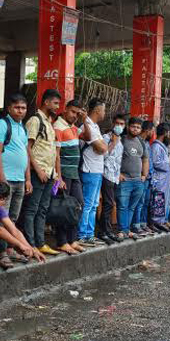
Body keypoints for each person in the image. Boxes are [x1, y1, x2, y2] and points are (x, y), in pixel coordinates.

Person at [0, 93, 31, 266]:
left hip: (20, 180)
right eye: (17, 107)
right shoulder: (1, 125)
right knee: (1, 219)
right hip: (5, 181)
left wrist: (28, 179)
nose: (20, 111)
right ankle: (1, 254)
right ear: (9, 108)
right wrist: (2, 180)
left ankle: (9, 250)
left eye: (23, 108)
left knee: (12, 218)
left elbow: (26, 155)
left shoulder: (22, 128)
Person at [20, 89, 61, 254]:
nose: (57, 107)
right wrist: (38, 170)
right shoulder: (35, 120)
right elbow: (27, 148)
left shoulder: (49, 122)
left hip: (49, 174)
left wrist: (54, 174)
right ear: (46, 102)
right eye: (55, 103)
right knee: (31, 210)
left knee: (42, 209)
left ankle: (40, 243)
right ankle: (31, 244)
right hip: (39, 174)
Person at [53, 100, 86, 254]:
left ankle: (72, 240)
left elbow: (88, 136)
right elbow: (56, 155)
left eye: (77, 113)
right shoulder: (58, 126)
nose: (75, 116)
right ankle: (62, 241)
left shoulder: (74, 127)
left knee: (78, 205)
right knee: (63, 209)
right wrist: (58, 178)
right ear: (65, 110)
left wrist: (84, 119)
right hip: (64, 174)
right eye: (73, 112)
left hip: (74, 174)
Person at [77, 98, 108, 245]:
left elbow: (103, 147)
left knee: (94, 204)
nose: (104, 113)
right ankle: (82, 235)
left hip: (97, 170)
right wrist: (102, 145)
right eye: (103, 109)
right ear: (97, 110)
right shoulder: (87, 125)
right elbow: (102, 148)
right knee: (88, 204)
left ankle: (89, 234)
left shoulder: (94, 126)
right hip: (89, 170)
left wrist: (102, 145)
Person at [117, 117, 148, 240]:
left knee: (132, 207)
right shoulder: (122, 140)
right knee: (123, 206)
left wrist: (144, 175)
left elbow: (145, 159)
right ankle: (122, 230)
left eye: (138, 127)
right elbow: (115, 157)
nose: (135, 129)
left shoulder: (141, 142)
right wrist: (118, 173)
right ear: (128, 127)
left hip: (138, 181)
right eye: (133, 126)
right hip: (125, 180)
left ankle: (126, 230)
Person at [99, 114, 127, 244]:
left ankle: (106, 231)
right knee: (108, 203)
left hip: (114, 177)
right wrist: (113, 143)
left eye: (122, 124)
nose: (119, 126)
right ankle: (104, 232)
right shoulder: (106, 138)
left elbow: (117, 160)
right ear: (113, 124)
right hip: (106, 175)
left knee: (110, 204)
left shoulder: (120, 141)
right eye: (117, 123)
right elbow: (103, 156)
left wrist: (119, 174)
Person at [149, 123, 170, 232]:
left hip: (164, 179)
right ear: (165, 133)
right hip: (159, 178)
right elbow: (155, 162)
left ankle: (160, 221)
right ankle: (155, 221)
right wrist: (169, 163)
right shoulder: (156, 146)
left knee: (163, 200)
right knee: (158, 199)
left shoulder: (162, 146)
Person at [133, 120, 154, 234]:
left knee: (145, 202)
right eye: (152, 130)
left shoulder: (146, 143)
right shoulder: (139, 142)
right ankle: (136, 225)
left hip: (148, 177)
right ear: (147, 130)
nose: (153, 133)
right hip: (141, 177)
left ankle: (143, 223)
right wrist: (143, 175)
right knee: (139, 202)